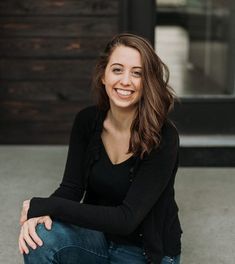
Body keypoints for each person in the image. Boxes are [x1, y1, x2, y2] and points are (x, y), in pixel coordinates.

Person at [18, 33, 182, 264]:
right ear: (103, 75)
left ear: (148, 82)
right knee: (39, 235)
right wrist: (41, 214)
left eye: (137, 73)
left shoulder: (163, 137)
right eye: (117, 70)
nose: (125, 81)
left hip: (145, 253)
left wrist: (49, 205)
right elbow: (71, 188)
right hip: (98, 240)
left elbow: (126, 219)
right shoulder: (87, 122)